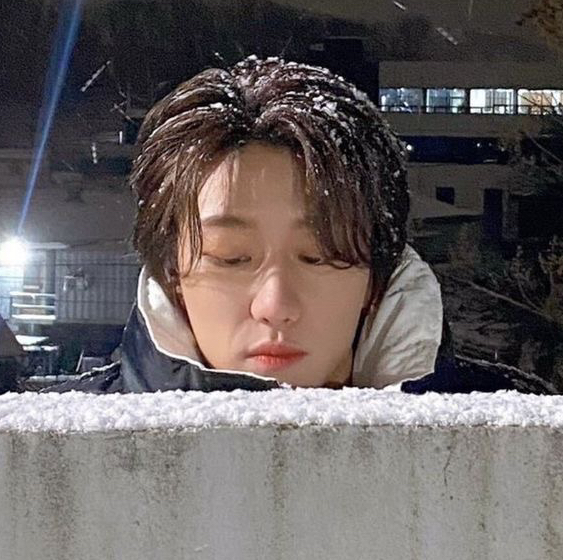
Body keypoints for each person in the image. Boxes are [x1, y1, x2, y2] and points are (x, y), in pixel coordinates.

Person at [40, 56, 552, 394]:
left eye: (321, 254)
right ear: (171, 273)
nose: (276, 305)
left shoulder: (521, 443)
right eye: (230, 256)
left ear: (376, 279)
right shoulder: (40, 452)